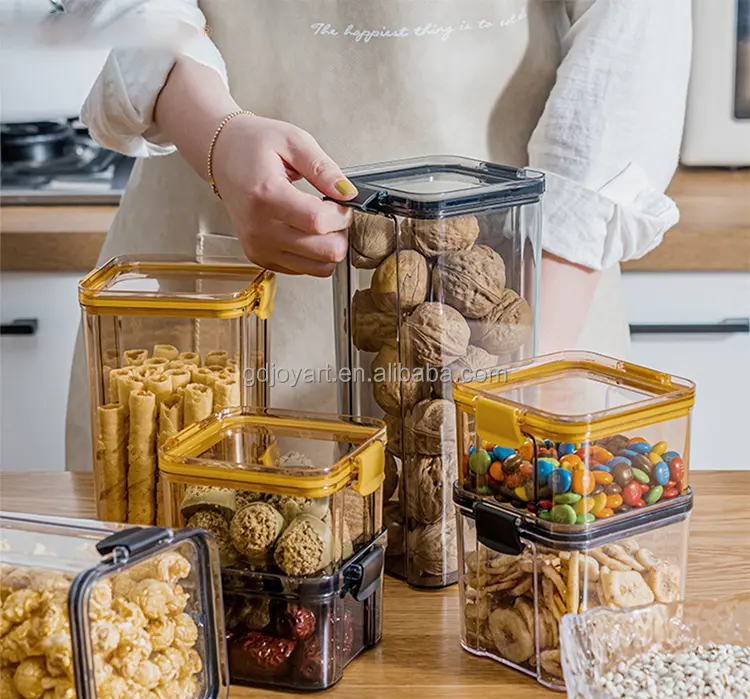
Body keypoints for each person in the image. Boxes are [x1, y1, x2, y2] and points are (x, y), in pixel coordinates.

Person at [64, 0, 692, 471]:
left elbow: (633, 36)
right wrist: (217, 135)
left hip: (531, 295)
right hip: (215, 287)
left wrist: (501, 384)